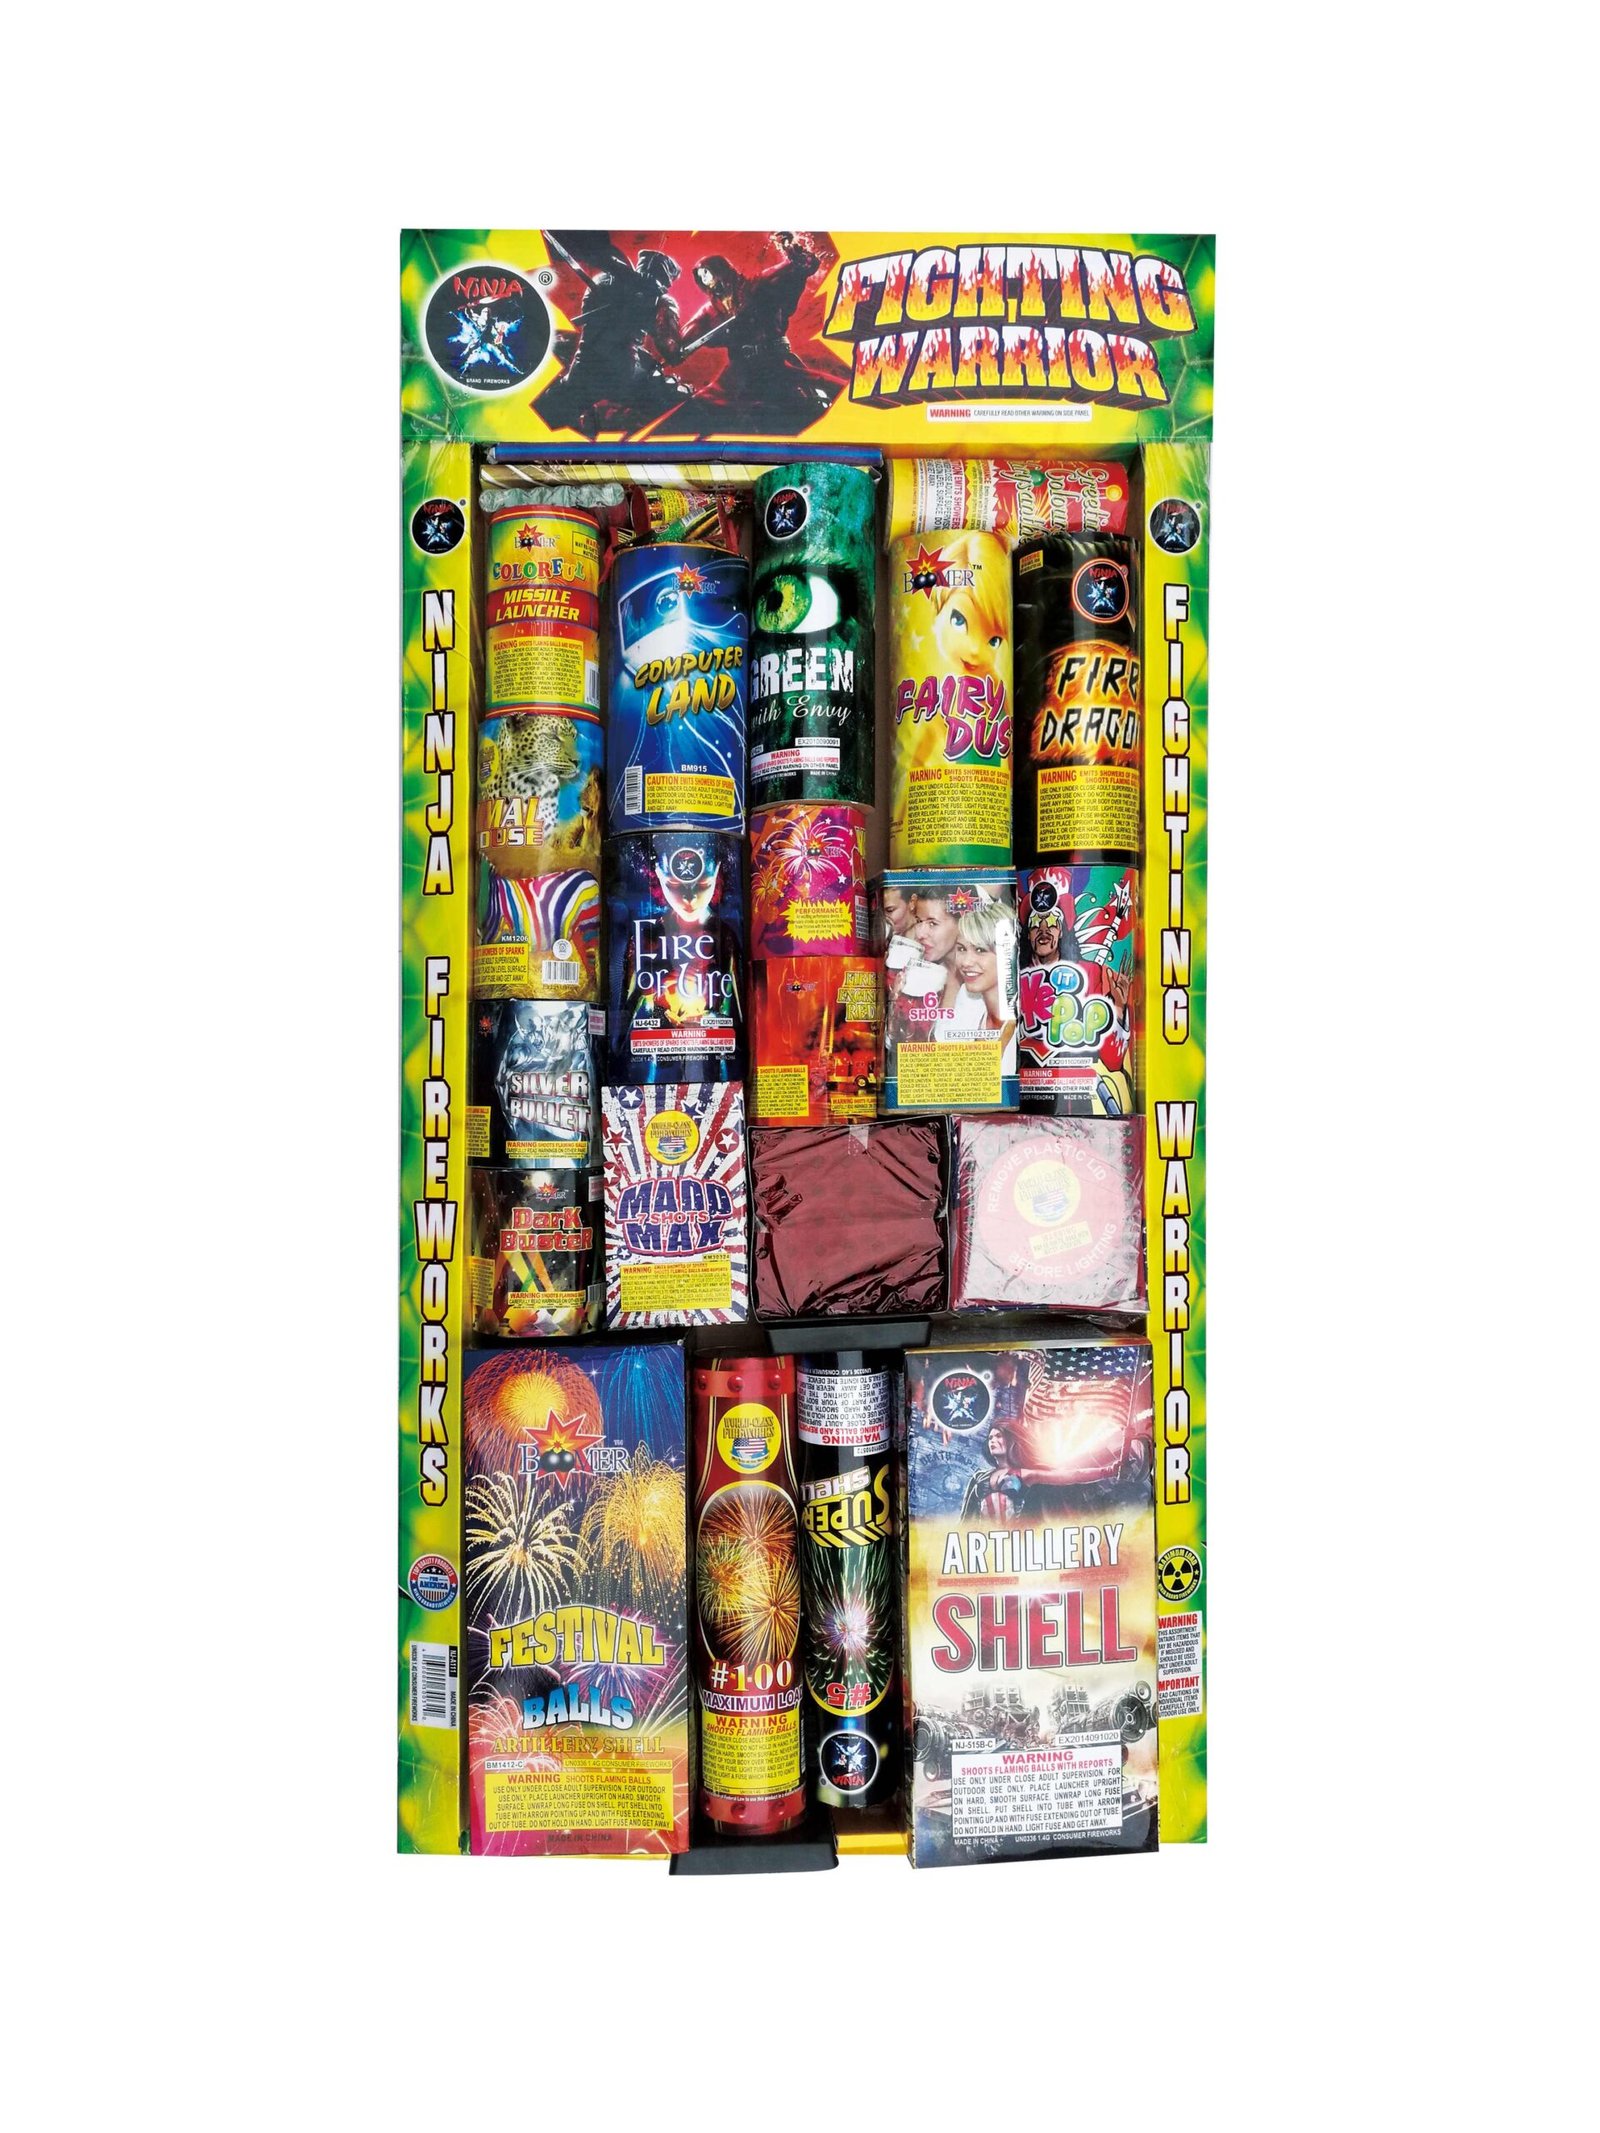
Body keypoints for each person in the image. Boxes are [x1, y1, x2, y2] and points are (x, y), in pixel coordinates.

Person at [936, 896, 1017, 1072]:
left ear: (1008, 953)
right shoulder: (968, 999)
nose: (966, 962)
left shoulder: (1028, 1020)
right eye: (961, 949)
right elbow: (940, 1061)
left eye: (980, 950)